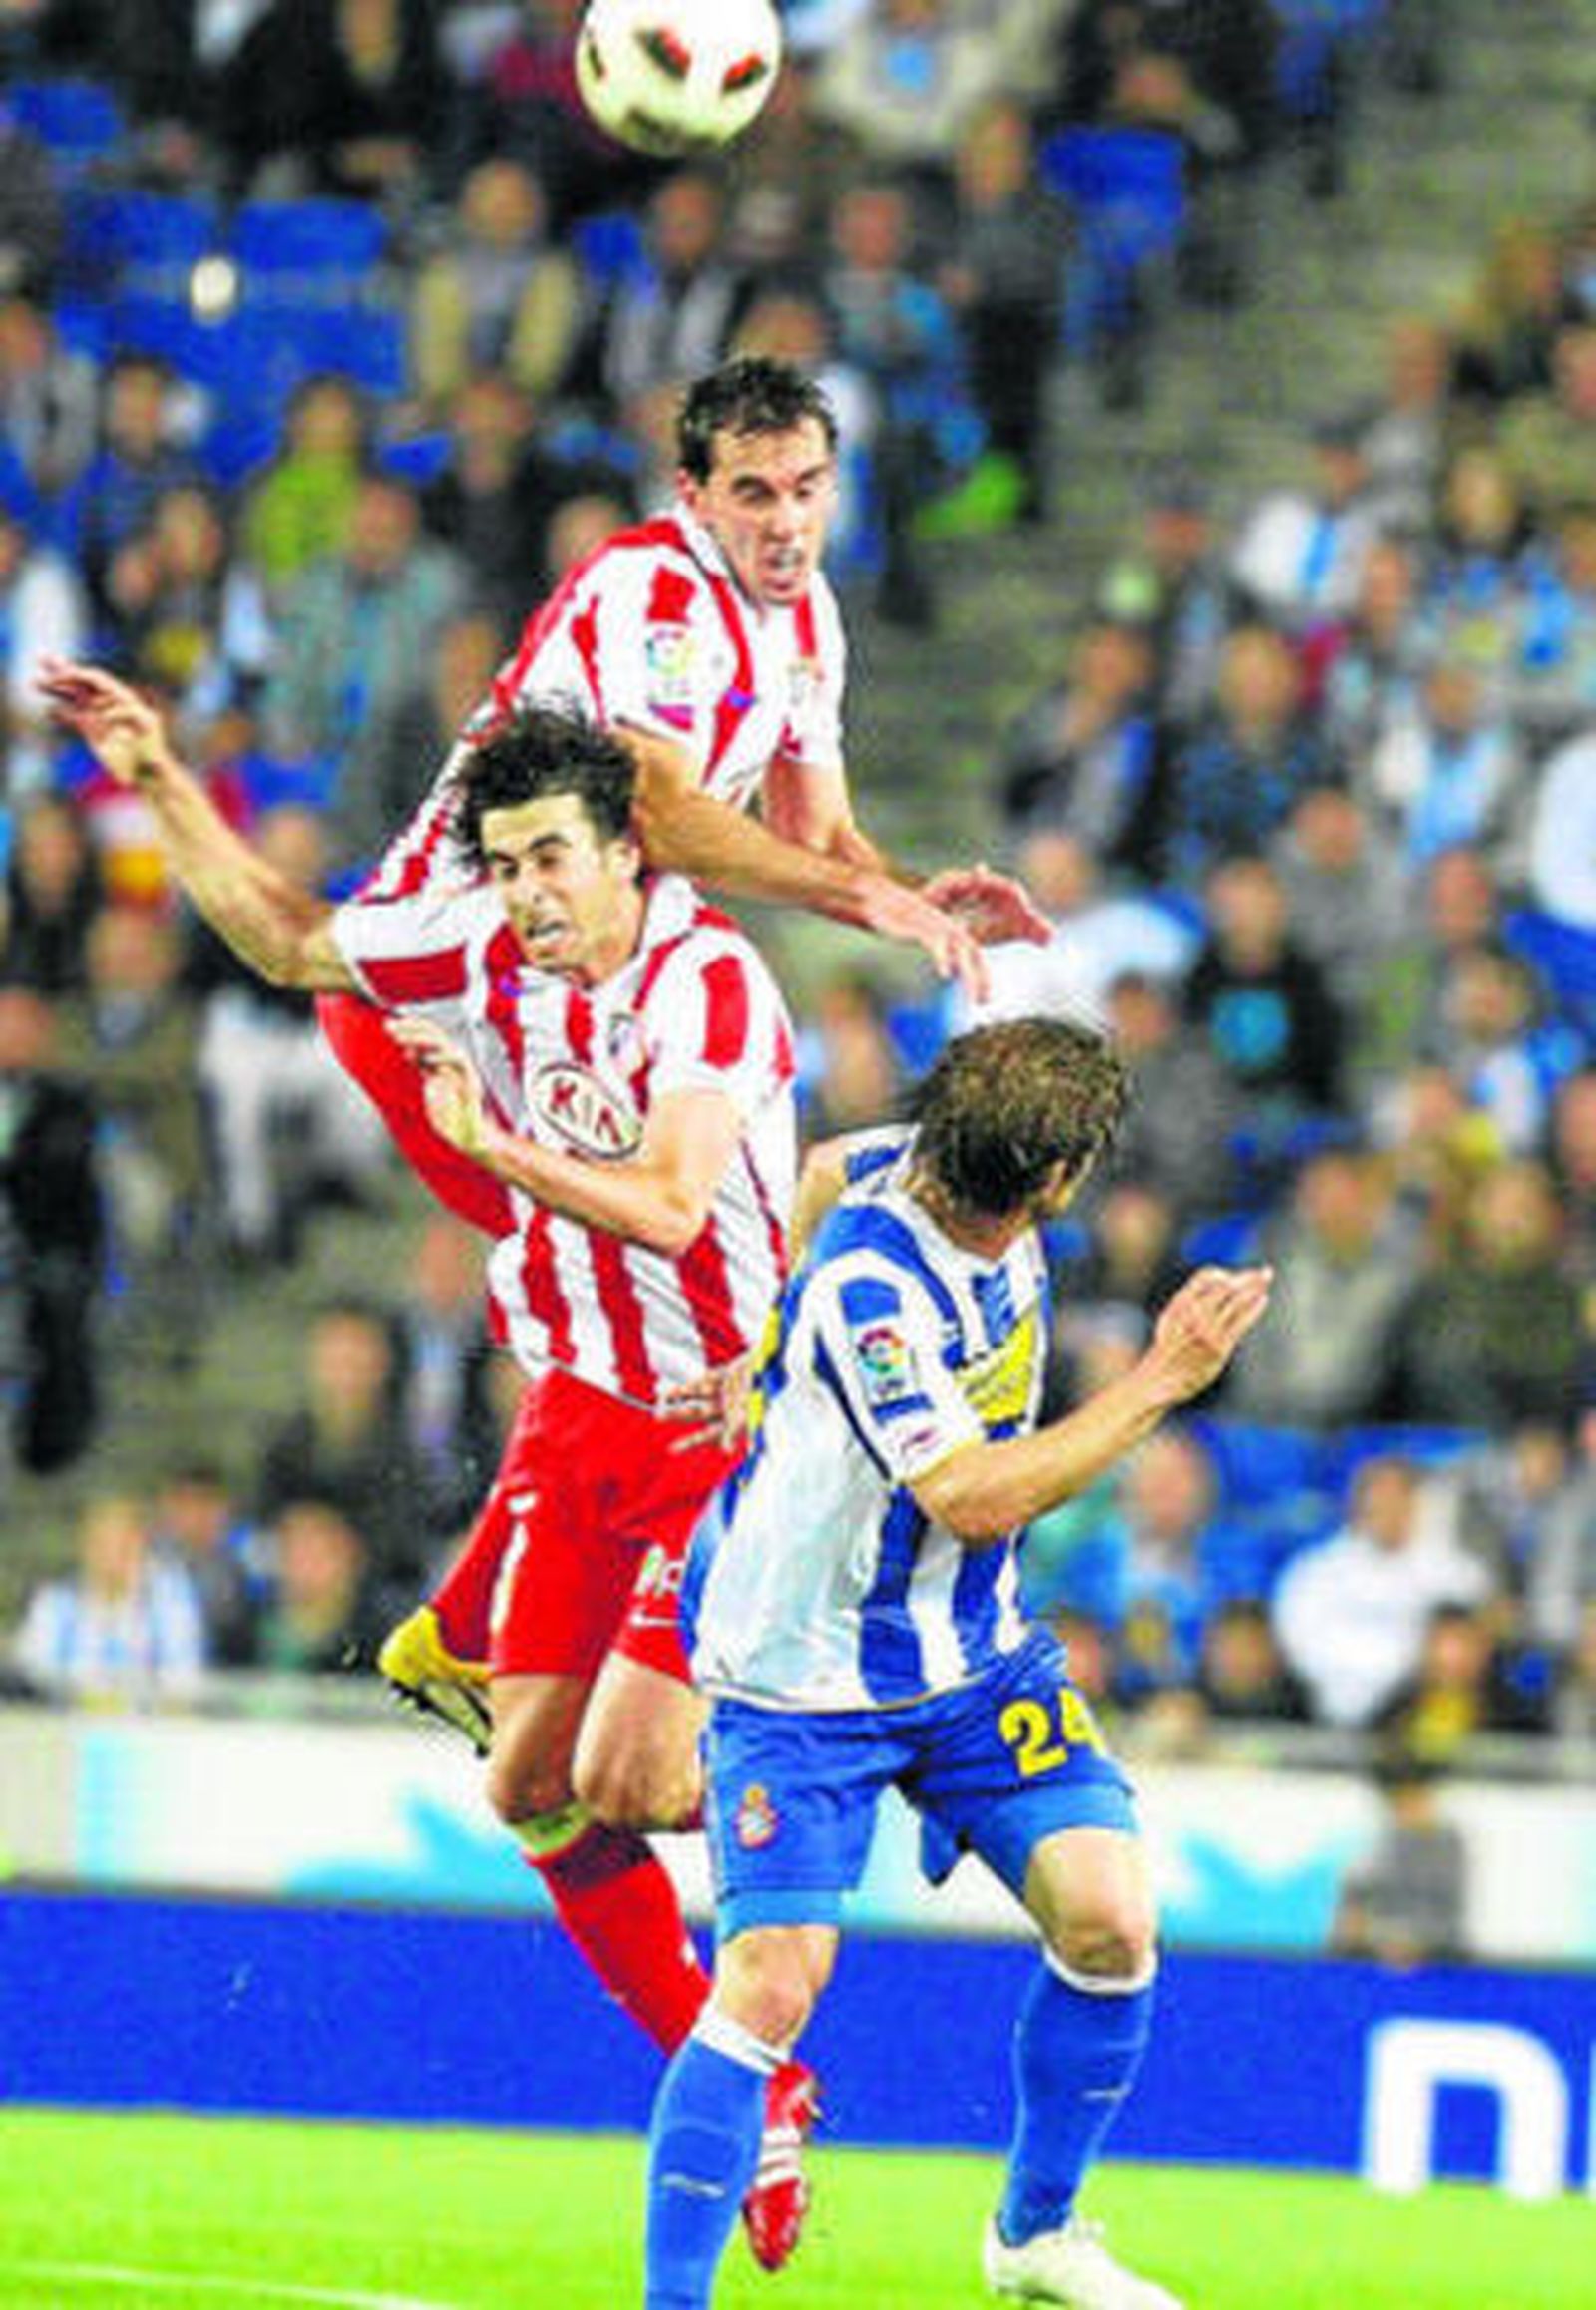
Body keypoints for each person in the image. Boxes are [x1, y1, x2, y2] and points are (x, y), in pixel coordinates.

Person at [39, 658, 819, 2273]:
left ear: (628, 853)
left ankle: (829, 1777)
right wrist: (158, 773)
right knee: (524, 1787)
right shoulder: (474, 945)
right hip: (577, 1410)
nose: (531, 892)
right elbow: (290, 941)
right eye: (510, 858)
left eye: (557, 856)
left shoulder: (710, 983)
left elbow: (676, 1205)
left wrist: (496, 1152)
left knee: (632, 1778)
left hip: (711, 1424)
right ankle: (755, 2074)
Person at [645, 1016, 1272, 2310]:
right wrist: (1162, 1379)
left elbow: (813, 1165)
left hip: (972, 1656)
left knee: (1110, 1919)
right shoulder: (875, 1293)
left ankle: (1034, 2239)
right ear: (1051, 1182)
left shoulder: (906, 1157)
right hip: (801, 1675)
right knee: (771, 1986)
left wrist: (753, 1353)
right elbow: (972, 1493)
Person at [319, 354, 1043, 1237]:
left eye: (808, 488)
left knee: (693, 1259)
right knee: (661, 1259)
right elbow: (655, 815)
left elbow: (815, 834)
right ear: (692, 495)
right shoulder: (652, 589)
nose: (789, 524)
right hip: (440, 986)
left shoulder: (808, 612)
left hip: (566, 972)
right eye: (755, 493)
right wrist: (868, 898)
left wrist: (916, 893)